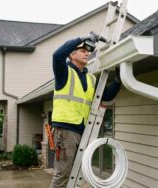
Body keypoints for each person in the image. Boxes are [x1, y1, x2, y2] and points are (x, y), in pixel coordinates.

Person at [49, 35, 121, 188]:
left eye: (88, 51)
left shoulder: (90, 79)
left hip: (83, 130)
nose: (87, 53)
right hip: (66, 129)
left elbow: (106, 95)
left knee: (78, 177)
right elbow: (57, 55)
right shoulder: (64, 72)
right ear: (72, 54)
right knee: (63, 175)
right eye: (82, 50)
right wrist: (80, 39)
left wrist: (118, 79)